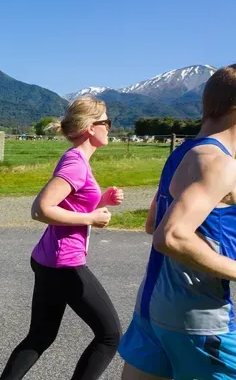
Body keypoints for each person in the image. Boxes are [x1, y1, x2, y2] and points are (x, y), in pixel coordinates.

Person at [119, 64, 236, 380]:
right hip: (199, 316)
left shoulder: (182, 153)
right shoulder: (220, 163)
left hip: (152, 306)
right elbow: (170, 236)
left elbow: (152, 223)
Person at [0, 96, 124, 380]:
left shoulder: (77, 160)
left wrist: (100, 201)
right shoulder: (76, 163)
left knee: (40, 336)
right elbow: (41, 209)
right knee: (110, 335)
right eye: (107, 122)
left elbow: (68, 206)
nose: (110, 128)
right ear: (91, 127)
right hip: (64, 263)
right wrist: (92, 218)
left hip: (48, 259)